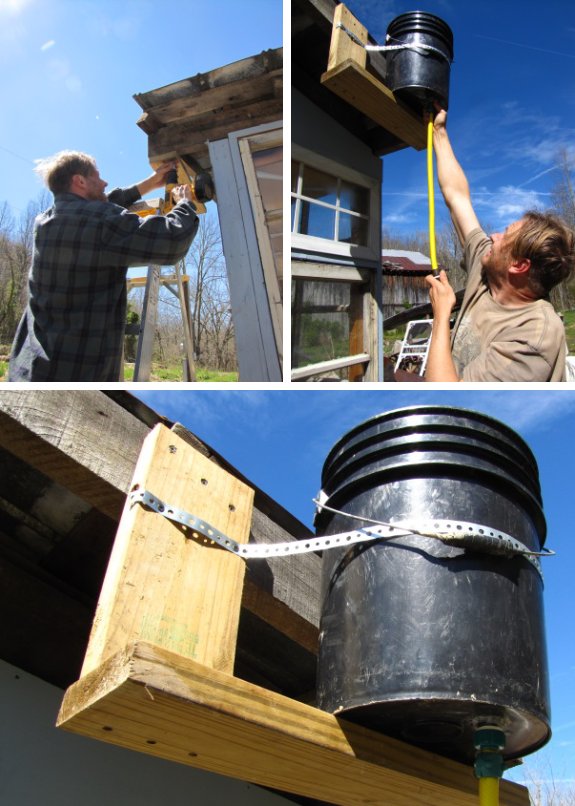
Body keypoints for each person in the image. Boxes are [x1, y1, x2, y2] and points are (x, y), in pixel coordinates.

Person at [8, 151, 199, 382]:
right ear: (79, 181)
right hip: (77, 376)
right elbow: (172, 242)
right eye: (97, 177)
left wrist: (147, 185)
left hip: (27, 371)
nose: (105, 182)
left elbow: (95, 211)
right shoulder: (100, 222)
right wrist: (185, 204)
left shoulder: (44, 221)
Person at [424, 108, 575, 382]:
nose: (494, 236)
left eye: (506, 236)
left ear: (519, 266)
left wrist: (441, 313)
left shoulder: (534, 336)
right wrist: (440, 133)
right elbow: (458, 198)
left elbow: (446, 394)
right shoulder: (488, 268)